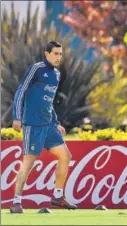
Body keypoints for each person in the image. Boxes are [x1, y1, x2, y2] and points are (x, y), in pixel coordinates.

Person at [10, 41, 77, 213]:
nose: (58, 57)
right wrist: (17, 117)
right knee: (29, 163)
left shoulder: (56, 74)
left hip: (48, 126)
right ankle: (16, 202)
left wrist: (56, 123)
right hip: (32, 125)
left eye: (60, 54)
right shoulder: (36, 68)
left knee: (65, 156)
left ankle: (57, 197)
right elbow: (20, 91)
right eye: (55, 53)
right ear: (46, 53)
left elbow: (48, 102)